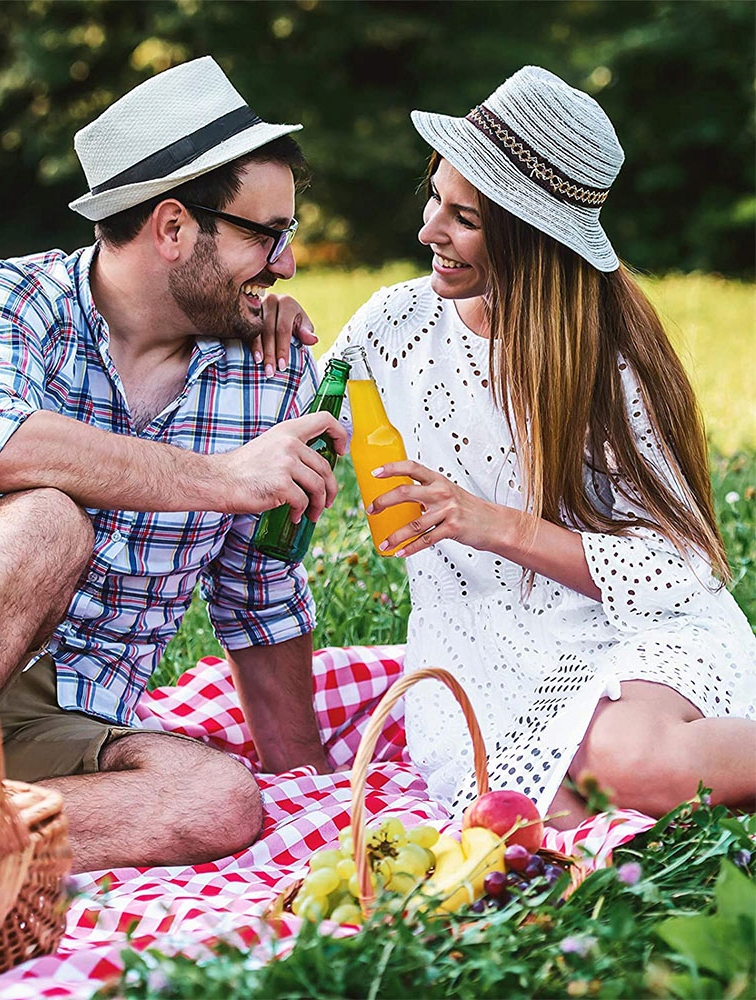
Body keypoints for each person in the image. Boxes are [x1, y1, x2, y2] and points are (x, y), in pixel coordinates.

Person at [0, 56, 346, 872]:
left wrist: (311, 785)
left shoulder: (273, 369)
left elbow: (260, 595)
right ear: (174, 228)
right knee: (46, 520)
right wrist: (222, 480)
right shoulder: (7, 298)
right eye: (266, 234)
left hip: (45, 725)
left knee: (216, 800)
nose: (286, 264)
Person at [319, 66, 756, 824]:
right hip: (475, 659)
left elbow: (682, 569)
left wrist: (496, 525)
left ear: (532, 238)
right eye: (435, 198)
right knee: (534, 813)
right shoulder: (392, 327)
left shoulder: (610, 359)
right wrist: (268, 340)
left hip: (627, 635)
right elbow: (299, 429)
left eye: (466, 218)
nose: (429, 231)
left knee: (631, 764)